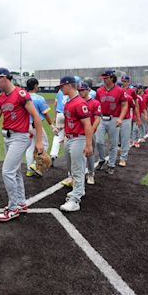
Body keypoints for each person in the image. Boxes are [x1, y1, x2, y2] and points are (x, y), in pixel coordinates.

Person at [0, 68, 43, 223]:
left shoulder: (21, 94)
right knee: (14, 172)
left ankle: (13, 207)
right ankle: (21, 203)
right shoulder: (1, 98)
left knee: (7, 172)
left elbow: (36, 116)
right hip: (7, 137)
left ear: (5, 78)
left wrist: (39, 141)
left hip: (20, 137)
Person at [58, 77, 93, 212]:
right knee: (72, 169)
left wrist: (88, 144)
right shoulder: (68, 102)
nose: (60, 89)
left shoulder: (79, 103)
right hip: (69, 138)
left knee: (77, 169)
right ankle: (80, 190)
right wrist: (63, 133)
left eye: (62, 86)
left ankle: (75, 200)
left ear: (69, 85)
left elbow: (87, 124)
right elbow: (70, 122)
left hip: (79, 138)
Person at [95, 70, 128, 175]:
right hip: (101, 118)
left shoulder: (120, 90)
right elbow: (96, 105)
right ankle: (101, 159)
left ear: (112, 78)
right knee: (98, 141)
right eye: (103, 78)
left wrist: (121, 118)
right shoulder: (99, 91)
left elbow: (124, 105)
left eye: (106, 77)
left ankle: (111, 165)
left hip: (114, 119)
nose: (104, 79)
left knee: (113, 144)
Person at [24, 78, 52, 176]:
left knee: (30, 147)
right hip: (35, 126)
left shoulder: (23, 97)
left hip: (25, 126)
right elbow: (46, 114)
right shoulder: (39, 98)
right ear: (35, 86)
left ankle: (29, 170)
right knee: (44, 144)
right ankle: (35, 165)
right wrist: (52, 125)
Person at [78, 82, 101, 185]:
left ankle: (91, 174)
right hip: (78, 133)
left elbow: (97, 119)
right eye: (79, 90)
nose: (81, 92)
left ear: (88, 90)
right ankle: (76, 175)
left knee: (90, 154)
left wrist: (91, 130)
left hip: (89, 133)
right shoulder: (77, 102)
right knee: (77, 155)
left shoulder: (95, 103)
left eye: (83, 90)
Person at [49, 88, 65, 163]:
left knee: (57, 135)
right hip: (69, 115)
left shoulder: (59, 91)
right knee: (70, 135)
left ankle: (53, 154)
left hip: (59, 114)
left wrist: (55, 117)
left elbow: (55, 104)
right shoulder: (73, 91)